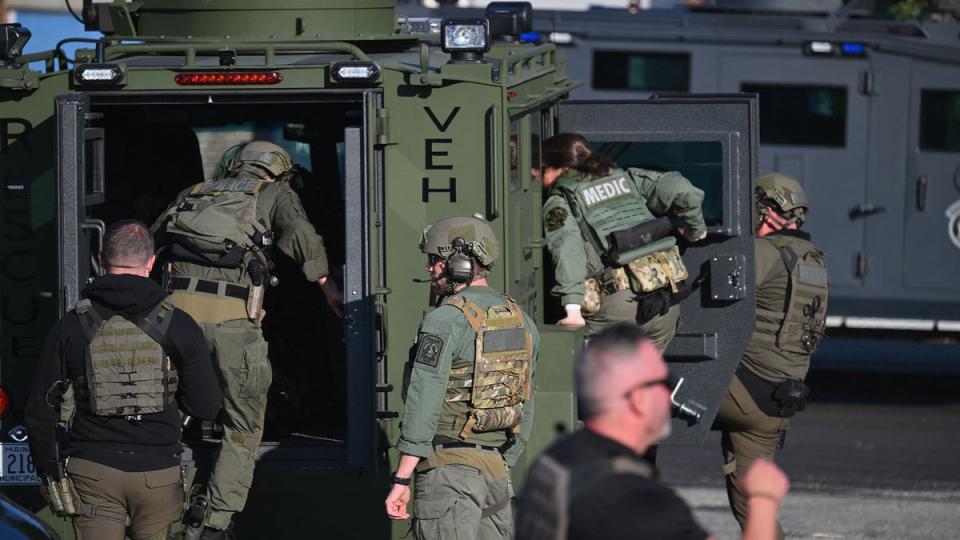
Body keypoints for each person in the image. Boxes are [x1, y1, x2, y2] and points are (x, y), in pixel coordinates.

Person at [151, 140, 343, 538]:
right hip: (231, 324)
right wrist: (328, 288)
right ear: (279, 171)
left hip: (170, 321)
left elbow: (151, 245)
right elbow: (302, 237)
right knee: (242, 426)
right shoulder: (274, 193)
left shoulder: (194, 192)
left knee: (163, 419)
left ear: (233, 165)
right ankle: (215, 523)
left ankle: (161, 513)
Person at [24, 220, 222, 540]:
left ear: (102, 260)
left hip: (92, 473)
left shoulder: (72, 326)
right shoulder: (179, 325)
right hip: (158, 475)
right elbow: (207, 406)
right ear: (151, 262)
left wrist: (49, 471)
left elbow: (39, 410)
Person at [515, 323, 790, 540]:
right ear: (640, 399)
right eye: (664, 381)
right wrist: (762, 500)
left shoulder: (558, 458)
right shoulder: (641, 503)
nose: (671, 393)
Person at [385, 216, 540, 540]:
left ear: (458, 264)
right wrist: (504, 461)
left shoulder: (446, 320)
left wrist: (402, 478)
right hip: (496, 472)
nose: (429, 269)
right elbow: (526, 402)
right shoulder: (521, 320)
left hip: (448, 474)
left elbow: (424, 399)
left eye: (434, 261)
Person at [714, 173, 828, 539]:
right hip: (779, 397)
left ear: (764, 209)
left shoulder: (765, 252)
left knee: (645, 388)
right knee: (752, 506)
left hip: (747, 392)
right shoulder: (812, 258)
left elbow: (714, 286)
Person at [539, 133, 707, 350]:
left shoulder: (562, 199)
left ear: (561, 167)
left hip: (616, 310)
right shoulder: (626, 178)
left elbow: (567, 249)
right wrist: (695, 229)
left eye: (542, 169)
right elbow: (683, 190)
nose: (537, 175)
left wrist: (572, 310)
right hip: (663, 304)